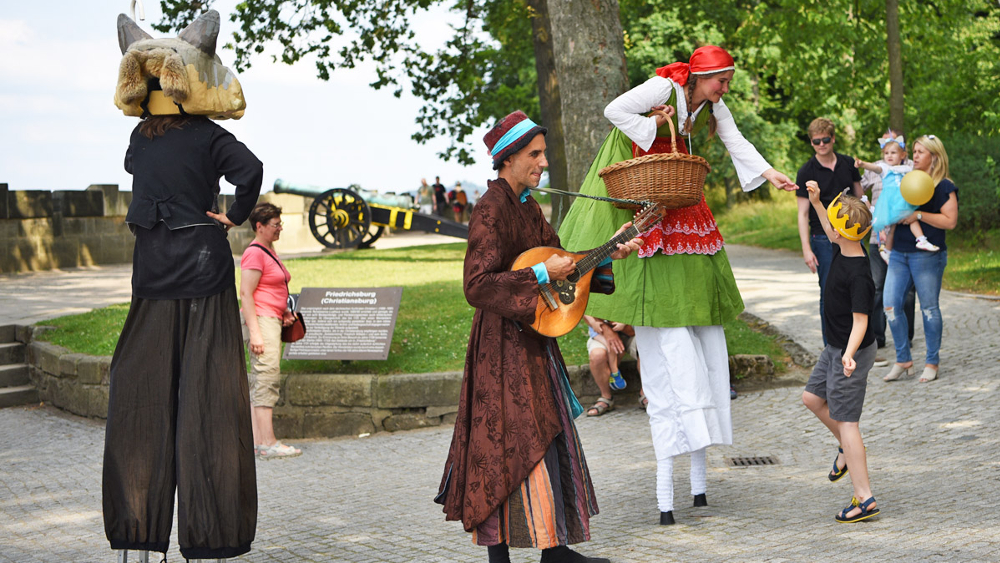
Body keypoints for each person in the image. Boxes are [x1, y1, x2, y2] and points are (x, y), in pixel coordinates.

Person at [558, 45, 797, 527]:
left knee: (696, 324)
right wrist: (652, 127)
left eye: (727, 81)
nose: (724, 90)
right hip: (640, 176)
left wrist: (771, 174)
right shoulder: (666, 85)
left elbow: (735, 139)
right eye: (720, 82)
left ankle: (697, 477)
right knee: (636, 274)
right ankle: (673, 477)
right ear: (700, 77)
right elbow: (613, 110)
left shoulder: (711, 104)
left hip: (675, 183)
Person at [435, 110, 642, 563]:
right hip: (499, 348)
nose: (543, 162)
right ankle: (500, 558)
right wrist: (539, 272)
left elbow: (565, 265)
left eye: (543, 153)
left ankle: (555, 550)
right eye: (535, 154)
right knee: (504, 441)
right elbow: (476, 285)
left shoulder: (529, 205)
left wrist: (611, 252)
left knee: (546, 433)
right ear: (507, 159)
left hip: (533, 342)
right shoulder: (490, 208)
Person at [104, 10, 259, 560]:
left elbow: (134, 165)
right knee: (209, 408)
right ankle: (211, 539)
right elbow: (252, 169)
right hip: (204, 279)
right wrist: (236, 214)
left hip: (152, 279)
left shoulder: (140, 140)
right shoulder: (210, 137)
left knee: (140, 404)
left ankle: (136, 541)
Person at [801, 184, 880, 523]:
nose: (826, 229)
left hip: (852, 353)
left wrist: (848, 355)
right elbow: (830, 224)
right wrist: (818, 203)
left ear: (841, 233)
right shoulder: (842, 248)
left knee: (848, 422)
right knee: (812, 398)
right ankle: (847, 451)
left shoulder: (860, 273)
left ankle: (864, 498)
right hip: (834, 347)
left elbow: (861, 322)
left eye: (831, 225)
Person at [882, 135, 958, 383]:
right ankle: (903, 359)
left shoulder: (944, 186)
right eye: (914, 151)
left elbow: (950, 221)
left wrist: (919, 216)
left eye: (921, 152)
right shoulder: (905, 180)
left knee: (928, 308)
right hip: (899, 253)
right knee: (890, 305)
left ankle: (931, 362)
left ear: (934, 157)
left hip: (928, 255)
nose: (915, 156)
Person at [240, 203, 302, 459]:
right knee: (267, 376)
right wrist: (255, 333)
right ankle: (267, 442)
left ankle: (259, 441)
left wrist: (285, 311)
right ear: (260, 226)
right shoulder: (255, 253)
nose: (280, 229)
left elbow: (273, 287)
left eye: (280, 224)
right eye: (275, 225)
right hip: (262, 321)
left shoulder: (268, 250)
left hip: (272, 318)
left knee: (262, 378)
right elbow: (246, 293)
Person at [796, 118, 864, 347]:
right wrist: (806, 250)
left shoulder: (848, 164)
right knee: (829, 291)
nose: (822, 144)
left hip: (852, 235)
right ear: (812, 142)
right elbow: (802, 213)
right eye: (817, 141)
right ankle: (833, 348)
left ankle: (859, 345)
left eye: (826, 139)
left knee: (858, 288)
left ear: (833, 138)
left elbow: (860, 199)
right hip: (823, 237)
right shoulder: (806, 171)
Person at [857, 129, 916, 358]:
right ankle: (878, 337)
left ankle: (907, 336)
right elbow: (858, 187)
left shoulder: (912, 168)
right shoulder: (877, 167)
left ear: (903, 150)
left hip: (904, 236)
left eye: (894, 148)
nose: (889, 153)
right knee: (877, 287)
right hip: (877, 237)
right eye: (886, 149)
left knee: (907, 291)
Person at [855, 136, 939, 259]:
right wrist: (863, 164)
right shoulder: (884, 168)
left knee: (908, 218)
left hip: (902, 197)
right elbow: (875, 168)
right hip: (890, 200)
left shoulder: (907, 168)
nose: (889, 156)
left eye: (893, 153)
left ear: (902, 155)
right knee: (885, 223)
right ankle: (890, 245)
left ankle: (918, 241)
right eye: (886, 153)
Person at [583, 315, 639, 417]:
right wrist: (601, 326)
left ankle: (647, 394)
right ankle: (606, 396)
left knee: (648, 348)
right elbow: (582, 309)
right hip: (601, 331)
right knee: (599, 355)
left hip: (632, 328)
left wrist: (625, 323)